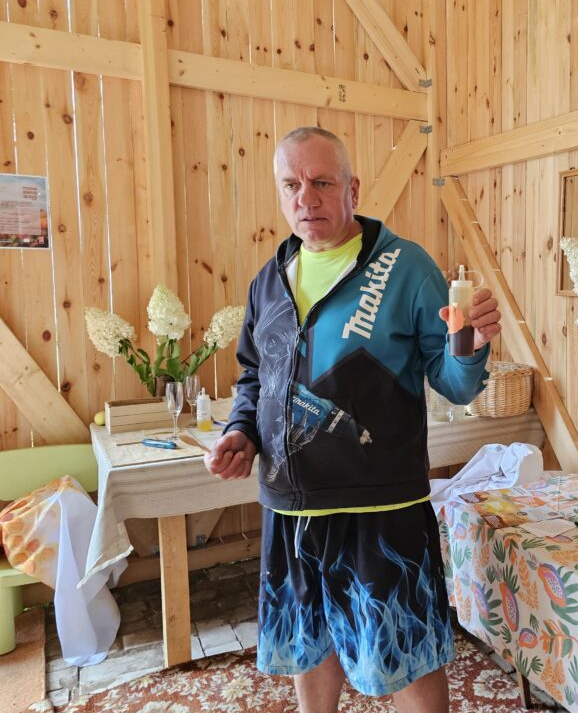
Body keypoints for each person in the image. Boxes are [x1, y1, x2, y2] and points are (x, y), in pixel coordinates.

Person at [204, 127, 501, 713]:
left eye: (321, 182)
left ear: (352, 190)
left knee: (408, 654)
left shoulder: (405, 268)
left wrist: (470, 344)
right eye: (291, 185)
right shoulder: (270, 279)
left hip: (382, 509)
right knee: (311, 647)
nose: (305, 198)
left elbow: (456, 383)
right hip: (291, 507)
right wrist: (240, 431)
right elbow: (254, 376)